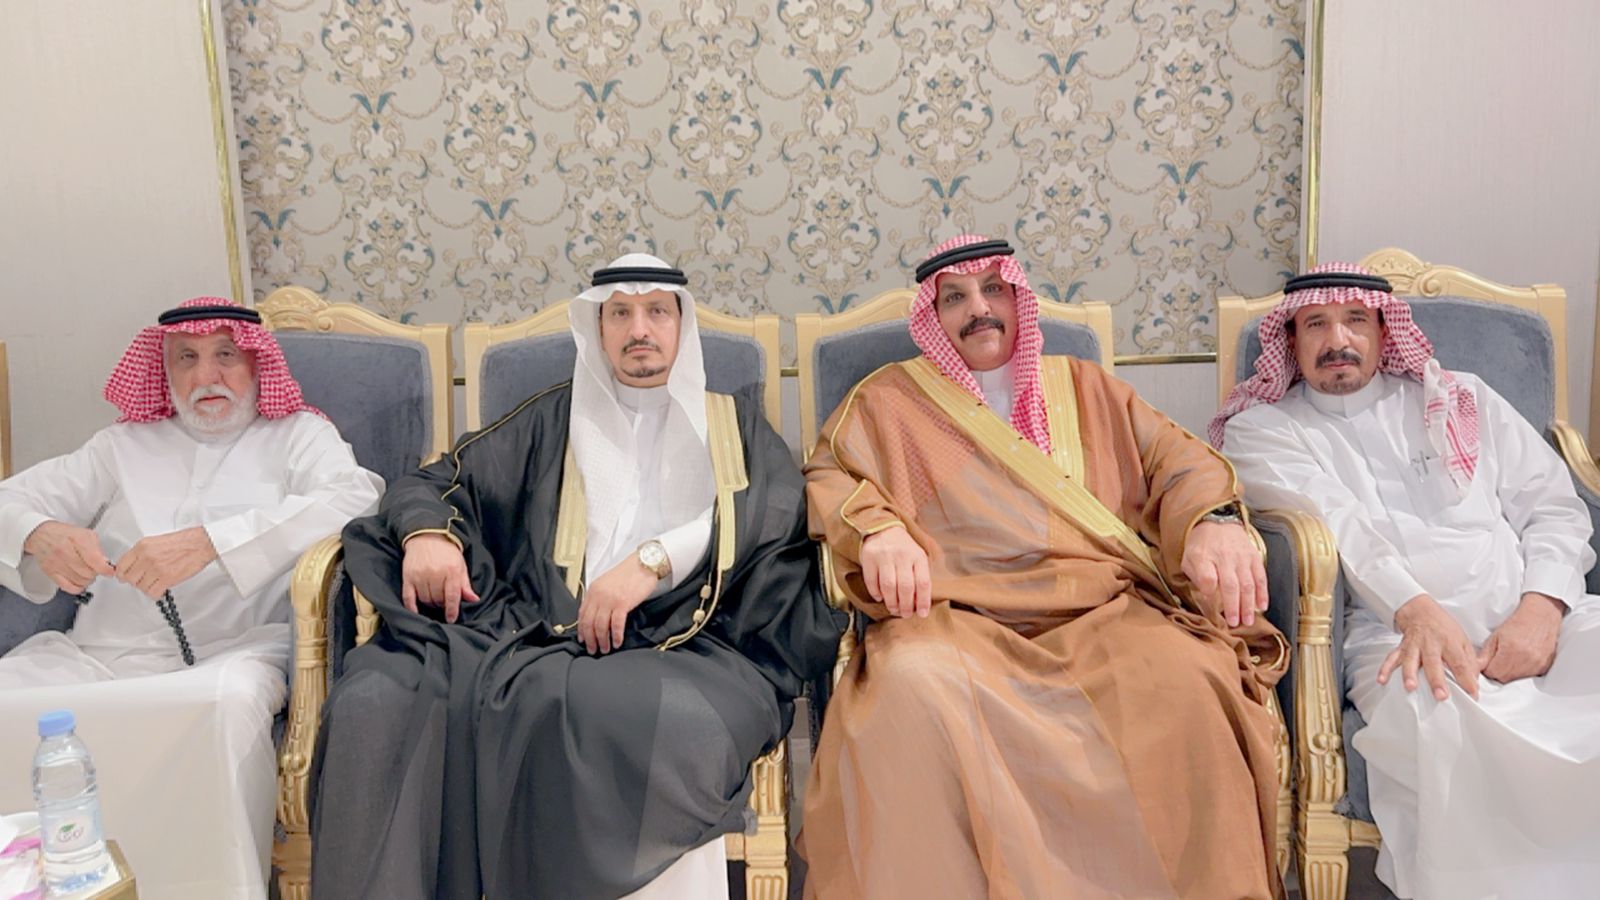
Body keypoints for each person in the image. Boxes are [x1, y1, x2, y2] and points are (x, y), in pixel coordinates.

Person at [310, 254, 842, 900]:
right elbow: (437, 482)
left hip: (702, 647)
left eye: (656, 312)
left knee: (632, 716)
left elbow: (775, 515)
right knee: (379, 695)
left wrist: (652, 563)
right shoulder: (550, 421)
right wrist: (428, 535)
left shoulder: (733, 427)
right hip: (547, 631)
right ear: (598, 327)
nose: (639, 329)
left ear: (681, 324)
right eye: (621, 313)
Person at [800, 234, 1287, 899]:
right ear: (933, 317)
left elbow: (1180, 462)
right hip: (957, 619)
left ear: (1017, 297)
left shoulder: (1085, 387)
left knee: (1191, 678)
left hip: (1105, 612)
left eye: (992, 290)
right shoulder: (888, 403)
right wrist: (878, 530)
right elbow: (833, 475)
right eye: (955, 298)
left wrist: (1213, 521)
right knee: (907, 689)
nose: (978, 309)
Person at [1215, 262, 1600, 899]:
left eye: (1355, 321)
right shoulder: (1263, 430)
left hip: (1532, 614)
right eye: (1316, 324)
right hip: (1390, 633)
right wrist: (1416, 611)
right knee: (1438, 723)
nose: (1337, 339)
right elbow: (1340, 531)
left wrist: (1543, 609)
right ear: (1291, 340)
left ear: (1384, 330)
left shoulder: (1463, 398)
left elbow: (1554, 507)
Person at [0, 297, 383, 899]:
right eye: (186, 359)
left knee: (224, 705)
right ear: (164, 371)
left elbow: (356, 498)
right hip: (100, 656)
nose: (207, 375)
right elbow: (10, 499)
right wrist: (38, 533)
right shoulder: (120, 445)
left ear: (257, 363)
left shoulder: (297, 436)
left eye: (226, 355)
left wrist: (212, 543)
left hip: (234, 654)